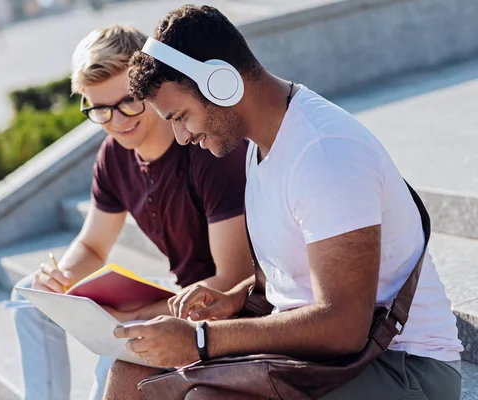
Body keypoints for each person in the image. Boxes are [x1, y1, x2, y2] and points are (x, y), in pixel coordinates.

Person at [105, 5, 464, 400]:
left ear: (222, 84)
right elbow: (298, 274)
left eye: (181, 116)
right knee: (132, 366)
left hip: (403, 367)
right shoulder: (259, 146)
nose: (181, 137)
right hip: (324, 357)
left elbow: (344, 326)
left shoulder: (324, 154)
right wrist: (235, 298)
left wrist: (203, 340)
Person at [10, 24, 253, 400]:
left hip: (225, 307)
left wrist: (136, 313)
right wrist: (60, 279)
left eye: (128, 102)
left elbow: (232, 277)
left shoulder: (203, 147)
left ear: (149, 87)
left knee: (121, 349)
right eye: (101, 110)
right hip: (177, 295)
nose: (117, 121)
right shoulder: (114, 155)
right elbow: (92, 246)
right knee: (29, 295)